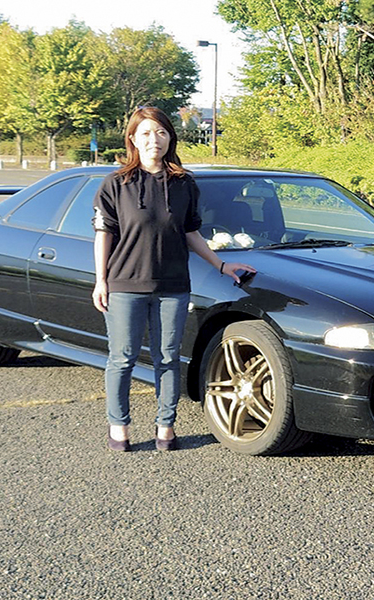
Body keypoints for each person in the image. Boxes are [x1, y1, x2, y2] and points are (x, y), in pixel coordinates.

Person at [92, 107, 255, 452]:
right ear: (133, 139)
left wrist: (220, 265)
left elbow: (190, 232)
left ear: (170, 138)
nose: (155, 139)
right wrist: (101, 281)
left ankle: (165, 426)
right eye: (146, 133)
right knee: (122, 358)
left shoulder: (184, 184)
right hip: (125, 284)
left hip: (174, 286)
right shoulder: (116, 184)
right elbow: (103, 234)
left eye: (162, 132)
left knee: (167, 358)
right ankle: (119, 425)